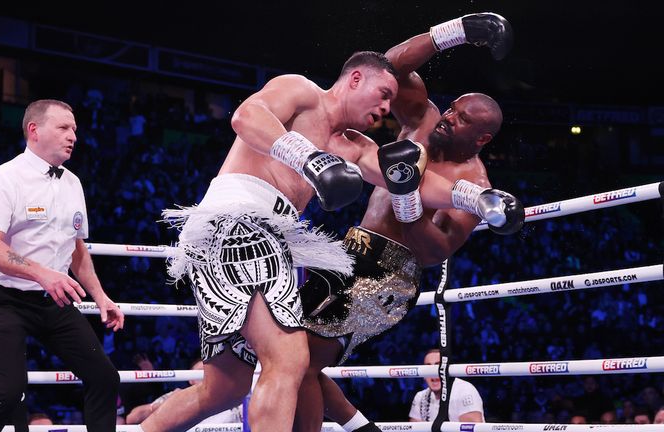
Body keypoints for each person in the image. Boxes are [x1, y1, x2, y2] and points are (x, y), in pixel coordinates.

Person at [147, 47, 518, 432]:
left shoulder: (353, 145)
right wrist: (309, 158)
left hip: (262, 238)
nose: (388, 108)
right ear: (355, 79)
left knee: (224, 388)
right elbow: (246, 116)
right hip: (239, 223)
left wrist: (476, 198)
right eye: (383, 95)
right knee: (290, 361)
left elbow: (412, 182)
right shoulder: (301, 91)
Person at [291, 12, 518, 432]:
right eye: (453, 108)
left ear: (481, 138)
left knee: (302, 359)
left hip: (392, 273)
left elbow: (437, 249)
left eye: (462, 119)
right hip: (351, 247)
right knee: (292, 357)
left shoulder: (475, 183)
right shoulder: (424, 121)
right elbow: (390, 69)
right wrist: (458, 32)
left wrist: (409, 202)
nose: (449, 117)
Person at [0, 99, 124, 432]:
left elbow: (76, 248)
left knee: (104, 377)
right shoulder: (2, 179)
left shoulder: (73, 183)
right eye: (64, 127)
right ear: (34, 130)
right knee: (8, 392)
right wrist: (42, 273)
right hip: (5, 298)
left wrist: (101, 297)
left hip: (54, 300)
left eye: (75, 129)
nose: (73, 136)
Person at [126, 358, 242, 425]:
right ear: (190, 379)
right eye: (201, 371)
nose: (206, 375)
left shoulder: (230, 399)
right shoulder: (177, 396)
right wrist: (162, 406)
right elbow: (132, 418)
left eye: (210, 371)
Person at [408, 349, 484, 422]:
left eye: (438, 366)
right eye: (428, 367)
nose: (433, 372)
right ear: (424, 375)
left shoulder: (464, 390)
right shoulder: (421, 397)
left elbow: (470, 429)